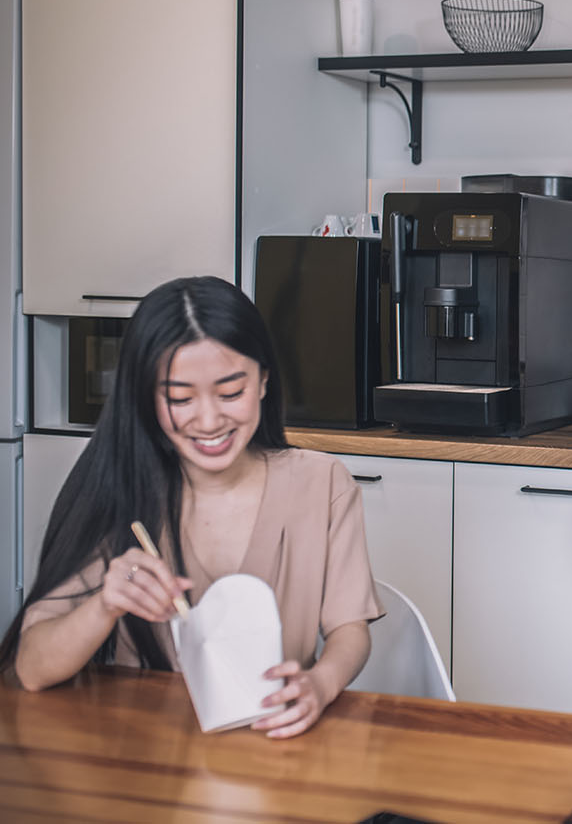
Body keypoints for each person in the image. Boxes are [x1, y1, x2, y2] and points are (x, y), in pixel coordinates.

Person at [0, 276, 383, 739]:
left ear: (263, 380)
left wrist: (319, 685)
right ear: (146, 398)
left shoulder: (322, 484)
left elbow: (350, 631)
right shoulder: (122, 487)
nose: (208, 421)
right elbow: (32, 670)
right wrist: (105, 603)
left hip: (275, 741)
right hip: (146, 751)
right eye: (180, 398)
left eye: (230, 393)